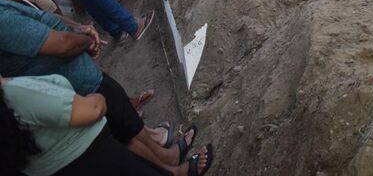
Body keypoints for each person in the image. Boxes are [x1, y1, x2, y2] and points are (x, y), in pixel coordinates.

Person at [0, 1, 204, 174]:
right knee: (122, 129)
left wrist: (75, 29)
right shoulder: (4, 25)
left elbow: (41, 16)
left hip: (76, 79)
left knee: (127, 122)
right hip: (76, 87)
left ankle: (167, 159)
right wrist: (85, 41)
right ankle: (170, 168)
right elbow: (61, 44)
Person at [1, 74, 215, 176]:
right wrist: (97, 99)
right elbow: (90, 111)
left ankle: (172, 168)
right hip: (91, 160)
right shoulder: (13, 94)